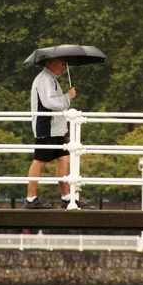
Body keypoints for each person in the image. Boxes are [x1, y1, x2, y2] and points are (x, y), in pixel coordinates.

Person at [24, 57, 86, 210]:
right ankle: (31, 198)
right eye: (62, 64)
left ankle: (66, 197)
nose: (64, 68)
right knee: (40, 160)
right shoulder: (44, 79)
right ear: (52, 63)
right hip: (47, 127)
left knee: (63, 159)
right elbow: (49, 103)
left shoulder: (50, 79)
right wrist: (68, 96)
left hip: (56, 128)